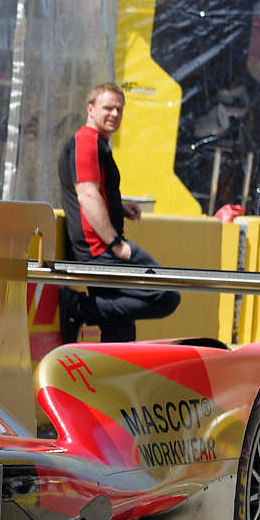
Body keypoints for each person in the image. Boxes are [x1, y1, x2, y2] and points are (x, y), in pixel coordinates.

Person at [56, 84, 179, 343]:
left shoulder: (97, 143)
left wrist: (118, 207)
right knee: (165, 294)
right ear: (90, 109)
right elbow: (87, 195)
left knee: (120, 332)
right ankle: (79, 307)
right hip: (100, 250)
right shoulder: (87, 141)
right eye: (108, 107)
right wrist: (115, 242)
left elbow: (94, 191)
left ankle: (104, 377)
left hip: (101, 248)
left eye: (119, 109)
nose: (114, 114)